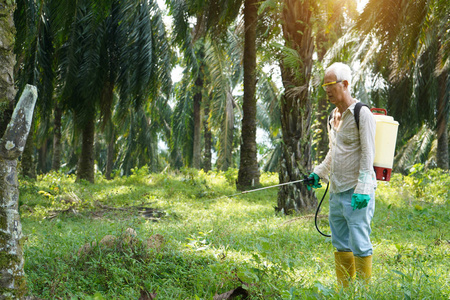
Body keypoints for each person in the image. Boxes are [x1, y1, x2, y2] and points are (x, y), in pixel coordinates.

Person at [308, 62, 377, 287]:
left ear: (345, 84)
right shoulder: (333, 116)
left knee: (359, 243)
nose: (326, 89)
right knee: (340, 243)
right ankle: (345, 291)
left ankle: (364, 292)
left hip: (356, 192)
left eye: (330, 84)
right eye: (324, 85)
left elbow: (368, 155)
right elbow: (333, 152)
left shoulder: (362, 114)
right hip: (336, 192)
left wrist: (364, 190)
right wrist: (319, 173)